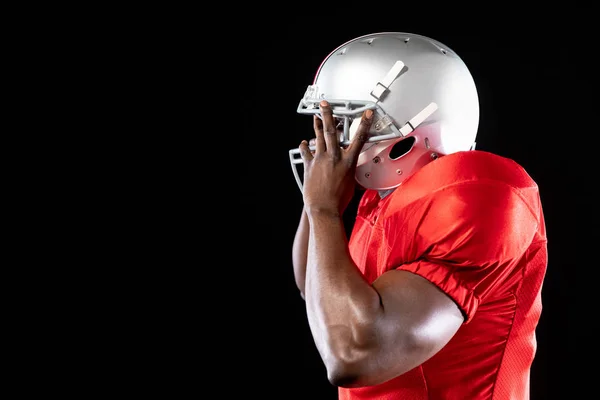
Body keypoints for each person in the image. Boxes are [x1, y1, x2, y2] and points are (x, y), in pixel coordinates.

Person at [289, 32, 547, 400]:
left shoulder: (477, 194)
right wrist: (319, 206)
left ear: (418, 118)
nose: (333, 144)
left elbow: (352, 355)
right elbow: (314, 291)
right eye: (331, 125)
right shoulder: (383, 201)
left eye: (350, 125)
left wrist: (323, 208)